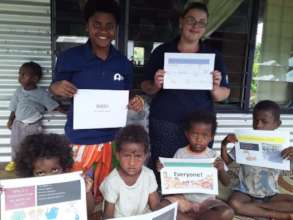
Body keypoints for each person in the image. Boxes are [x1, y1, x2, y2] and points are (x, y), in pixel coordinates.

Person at [49, 0, 143, 202]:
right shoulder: (69, 58)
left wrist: (136, 102)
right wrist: (56, 88)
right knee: (76, 192)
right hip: (80, 139)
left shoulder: (123, 63)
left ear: (116, 29)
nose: (103, 31)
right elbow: (54, 90)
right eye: (97, 24)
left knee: (107, 192)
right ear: (87, 26)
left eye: (109, 26)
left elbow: (127, 96)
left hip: (113, 140)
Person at [141, 2, 230, 171]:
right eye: (191, 20)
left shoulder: (213, 56)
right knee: (164, 170)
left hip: (201, 128)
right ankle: (166, 198)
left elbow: (223, 94)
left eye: (201, 22)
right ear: (181, 22)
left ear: (205, 27)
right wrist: (156, 84)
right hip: (165, 122)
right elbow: (146, 86)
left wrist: (214, 88)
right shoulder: (161, 52)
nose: (196, 26)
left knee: (196, 171)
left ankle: (193, 199)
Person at [221, 100, 293, 219]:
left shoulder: (283, 146)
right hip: (245, 192)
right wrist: (224, 144)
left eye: (264, 121)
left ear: (277, 124)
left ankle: (255, 207)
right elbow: (227, 162)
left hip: (270, 194)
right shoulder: (245, 140)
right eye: (255, 120)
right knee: (234, 203)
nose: (258, 125)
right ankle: (277, 214)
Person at [158, 111, 233, 220]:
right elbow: (171, 179)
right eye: (194, 134)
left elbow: (227, 182)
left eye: (204, 135)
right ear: (187, 134)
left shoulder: (213, 156)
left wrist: (221, 170)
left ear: (211, 137)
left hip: (207, 202)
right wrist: (163, 169)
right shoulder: (180, 153)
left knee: (227, 212)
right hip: (184, 200)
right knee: (162, 206)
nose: (199, 139)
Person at [14, 133, 98, 220]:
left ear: (63, 167)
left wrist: (87, 192)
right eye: (40, 173)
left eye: (54, 170)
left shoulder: (70, 187)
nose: (49, 177)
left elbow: (88, 211)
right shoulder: (27, 193)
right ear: (30, 173)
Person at [5, 61, 62, 172]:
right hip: (18, 123)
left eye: (23, 75)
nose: (20, 77)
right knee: (15, 143)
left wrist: (67, 111)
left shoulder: (41, 93)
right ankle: (15, 161)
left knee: (33, 145)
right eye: (20, 74)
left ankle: (34, 164)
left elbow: (53, 106)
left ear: (35, 79)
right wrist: (10, 119)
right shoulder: (18, 91)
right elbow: (14, 107)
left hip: (33, 124)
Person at [99, 124, 160, 218]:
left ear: (145, 156)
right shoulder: (112, 182)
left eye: (138, 156)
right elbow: (108, 216)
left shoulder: (148, 175)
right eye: (127, 156)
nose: (132, 163)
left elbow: (155, 206)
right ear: (118, 155)